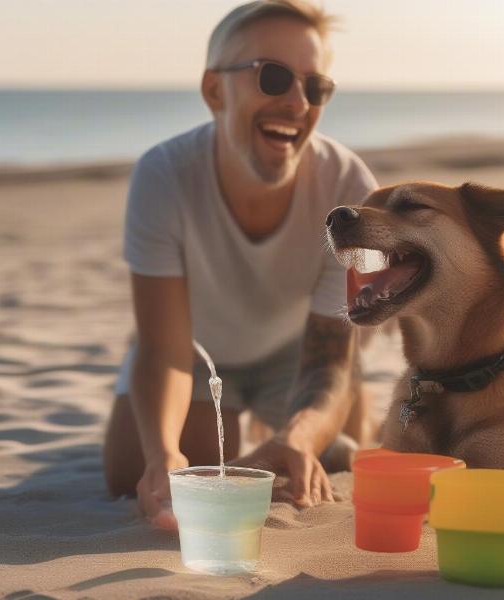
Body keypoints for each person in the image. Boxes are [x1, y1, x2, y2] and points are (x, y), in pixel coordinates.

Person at [103, 0, 378, 529]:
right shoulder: (164, 175)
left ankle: (303, 422)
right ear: (213, 91)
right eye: (273, 77)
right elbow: (164, 350)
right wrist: (163, 455)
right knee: (132, 472)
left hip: (296, 354)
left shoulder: (348, 188)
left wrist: (298, 436)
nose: (299, 103)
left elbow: (329, 362)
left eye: (315, 86)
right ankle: (230, 422)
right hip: (199, 354)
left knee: (328, 448)